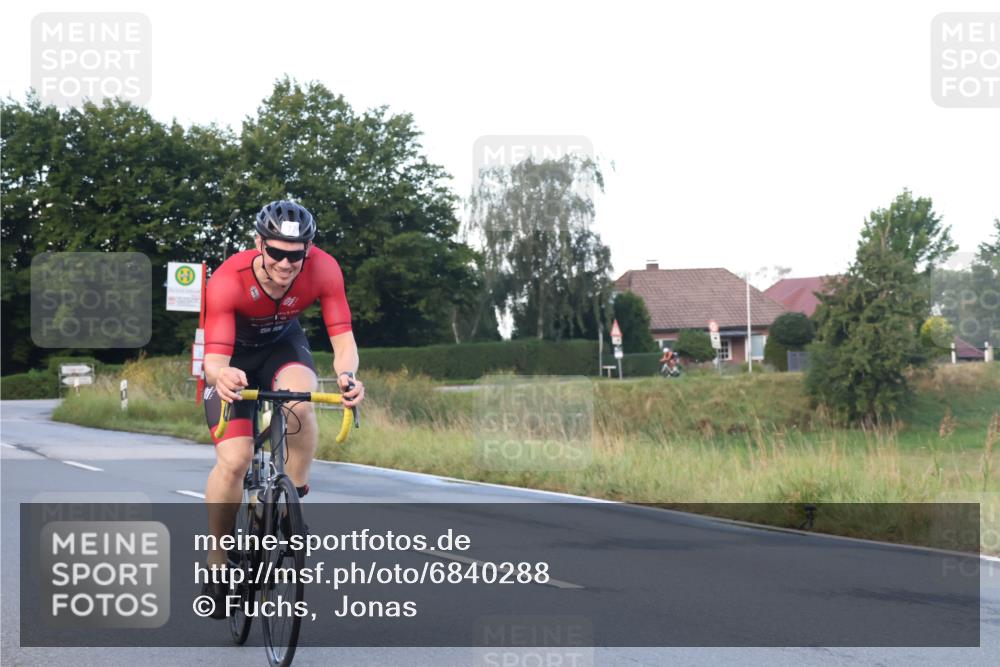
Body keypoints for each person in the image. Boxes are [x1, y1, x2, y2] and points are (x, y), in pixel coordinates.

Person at [199, 200, 365, 617]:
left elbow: (342, 339)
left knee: (300, 403)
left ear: (308, 249)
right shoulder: (227, 280)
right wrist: (221, 375)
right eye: (276, 253)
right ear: (259, 244)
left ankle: (291, 506)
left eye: (296, 255)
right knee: (235, 461)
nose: (286, 264)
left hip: (282, 348)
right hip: (232, 359)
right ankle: (218, 560)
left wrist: (347, 377)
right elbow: (213, 358)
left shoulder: (324, 269)